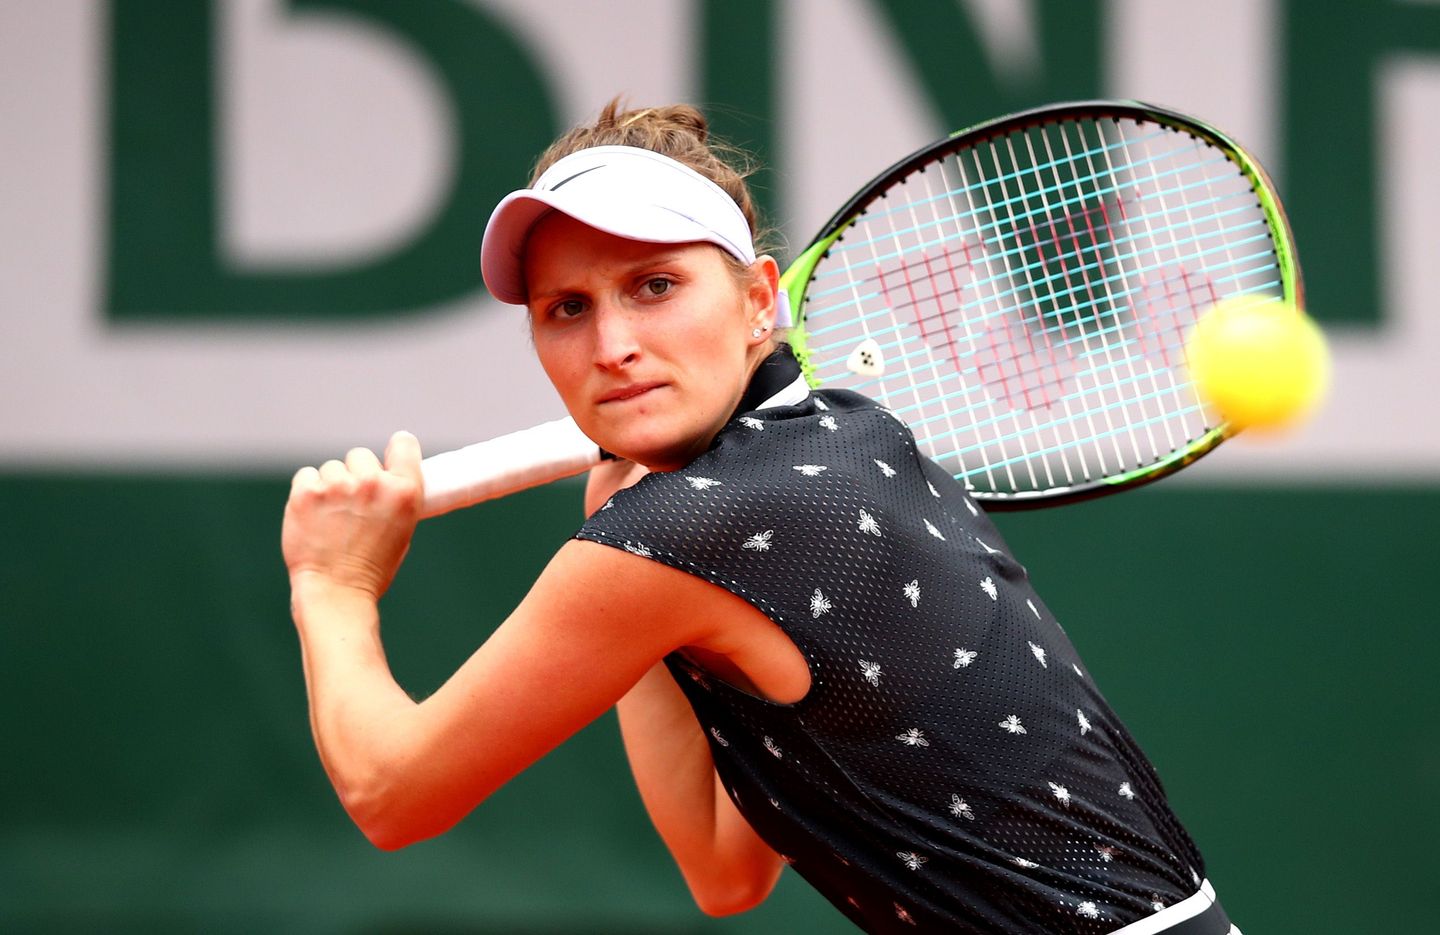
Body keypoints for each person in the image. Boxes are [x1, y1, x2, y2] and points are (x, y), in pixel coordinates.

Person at [281, 100, 1238, 934]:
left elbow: (391, 793)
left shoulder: (698, 529)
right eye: (566, 308)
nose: (613, 344)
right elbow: (724, 867)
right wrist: (637, 591)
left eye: (655, 286)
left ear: (758, 302)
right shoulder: (855, 441)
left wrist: (334, 581)